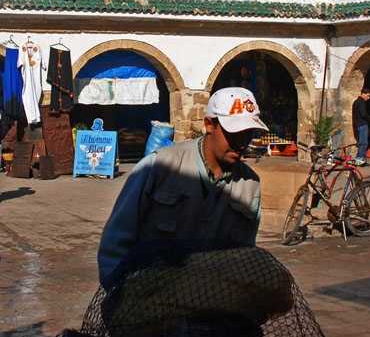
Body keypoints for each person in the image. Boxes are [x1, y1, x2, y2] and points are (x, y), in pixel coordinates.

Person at [97, 87, 269, 284]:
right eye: (234, 133)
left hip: (215, 303)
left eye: (248, 134)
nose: (242, 143)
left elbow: (245, 255)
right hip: (153, 298)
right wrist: (121, 293)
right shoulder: (159, 166)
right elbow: (115, 241)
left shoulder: (250, 185)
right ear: (209, 124)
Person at [352, 88, 370, 166]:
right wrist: (369, 117)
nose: (368, 98)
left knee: (361, 142)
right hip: (362, 124)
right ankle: (361, 160)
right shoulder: (361, 102)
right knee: (363, 143)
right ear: (363, 93)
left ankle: (358, 159)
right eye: (368, 96)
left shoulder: (356, 102)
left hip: (357, 124)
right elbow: (363, 114)